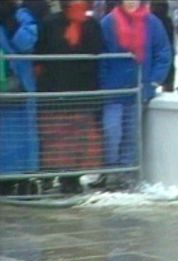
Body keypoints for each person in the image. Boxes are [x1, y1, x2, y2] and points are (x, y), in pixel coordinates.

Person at [98, 0, 171, 190]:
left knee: (132, 135)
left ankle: (126, 173)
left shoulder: (152, 23)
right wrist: (104, 83)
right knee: (111, 131)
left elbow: (163, 53)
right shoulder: (108, 23)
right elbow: (101, 55)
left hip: (139, 91)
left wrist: (153, 81)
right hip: (113, 91)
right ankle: (110, 170)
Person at [36, 0, 104, 194]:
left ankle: (72, 178)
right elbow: (40, 53)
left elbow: (97, 54)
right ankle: (55, 175)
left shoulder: (92, 25)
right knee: (57, 138)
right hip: (55, 92)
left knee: (78, 138)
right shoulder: (50, 23)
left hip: (81, 92)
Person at [0, 0, 39, 195]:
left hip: (21, 85)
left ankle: (25, 176)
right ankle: (5, 178)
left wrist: (12, 26)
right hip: (4, 83)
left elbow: (28, 42)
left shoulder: (22, 16)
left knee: (23, 134)